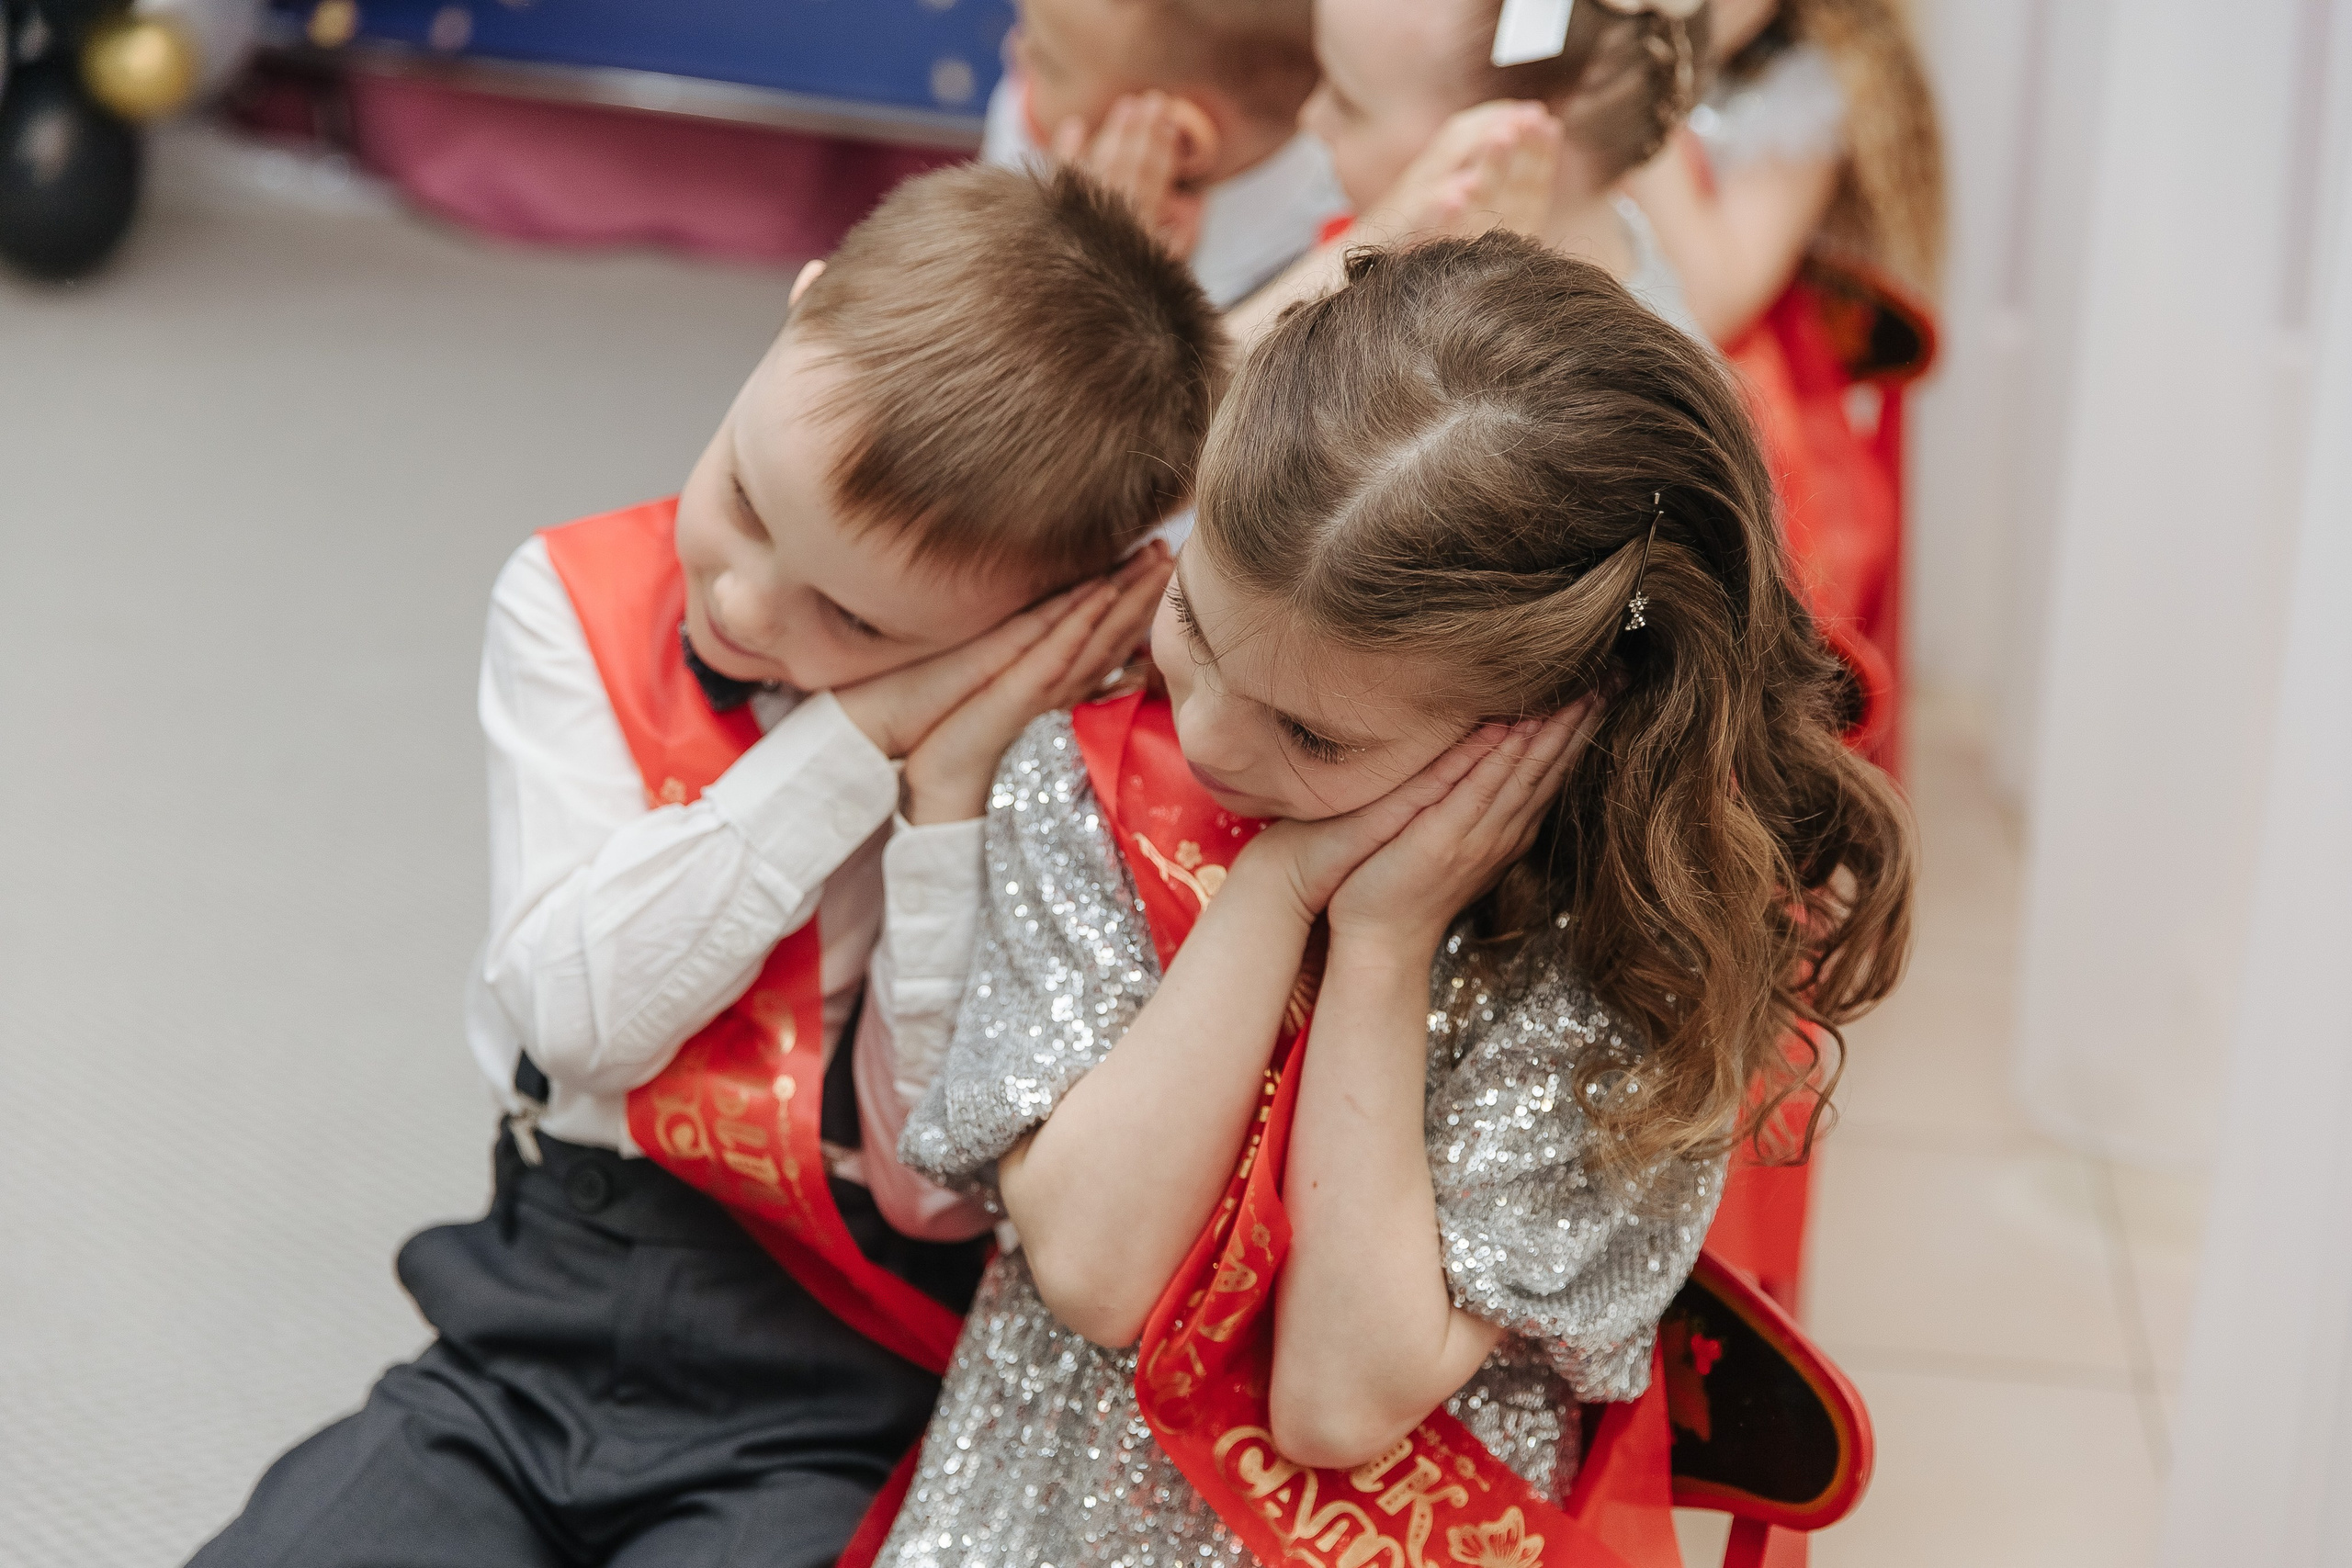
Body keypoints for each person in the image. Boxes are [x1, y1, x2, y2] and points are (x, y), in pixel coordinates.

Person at [187, 164, 1225, 1568]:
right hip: (543, 1301)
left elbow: (933, 1187)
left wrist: (947, 797)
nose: (739, 602)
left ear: (1029, 612)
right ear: (795, 318)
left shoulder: (1062, 753)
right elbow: (578, 1013)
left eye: (848, 618)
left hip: (834, 1372)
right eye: (743, 495)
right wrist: (860, 726)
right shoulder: (574, 600)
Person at [869, 232, 1915, 1565]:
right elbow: (1091, 1263)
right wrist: (1278, 879)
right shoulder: (1087, 780)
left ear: (1552, 722)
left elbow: (1335, 1399)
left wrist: (1383, 942)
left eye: (1312, 737)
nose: (1211, 742)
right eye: (1192, 621)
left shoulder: (1625, 967)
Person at [1228, 0, 1711, 342]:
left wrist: (1391, 229)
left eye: (1347, 102)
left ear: (1512, 142)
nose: (1311, 119)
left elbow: (1175, 439)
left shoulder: (1561, 414)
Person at [981, 0, 1349, 306]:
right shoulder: (1032, 104)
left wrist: (1096, 262)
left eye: (1048, 63)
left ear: (1180, 140)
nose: (1016, 49)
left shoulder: (1303, 283)